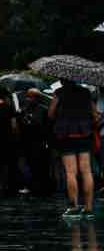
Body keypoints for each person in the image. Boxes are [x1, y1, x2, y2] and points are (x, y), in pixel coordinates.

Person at [51, 78, 102, 219]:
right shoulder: (86, 92)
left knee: (70, 172)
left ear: (62, 80)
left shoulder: (58, 93)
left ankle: (73, 207)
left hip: (66, 135)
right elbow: (95, 114)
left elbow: (50, 114)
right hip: (84, 134)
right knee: (86, 171)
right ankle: (89, 208)